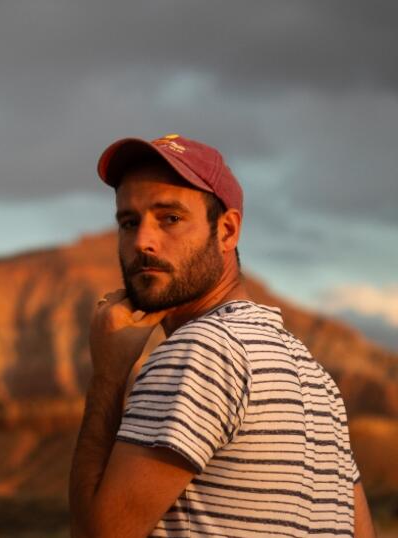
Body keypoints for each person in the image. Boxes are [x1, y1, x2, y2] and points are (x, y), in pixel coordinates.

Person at [68, 134, 376, 537]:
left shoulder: (199, 352)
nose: (143, 240)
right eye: (129, 222)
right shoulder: (313, 376)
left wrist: (107, 377)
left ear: (227, 231)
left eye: (170, 218)